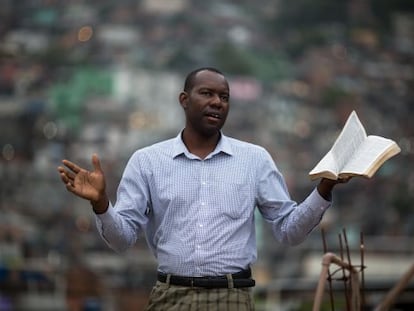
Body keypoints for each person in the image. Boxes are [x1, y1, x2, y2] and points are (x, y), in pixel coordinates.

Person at [57, 67, 349, 310]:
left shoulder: (254, 160)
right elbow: (121, 240)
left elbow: (289, 231)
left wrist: (325, 186)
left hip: (232, 298)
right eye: (206, 93)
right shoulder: (147, 162)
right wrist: (100, 204)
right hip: (170, 298)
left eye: (224, 97)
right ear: (184, 99)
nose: (217, 102)